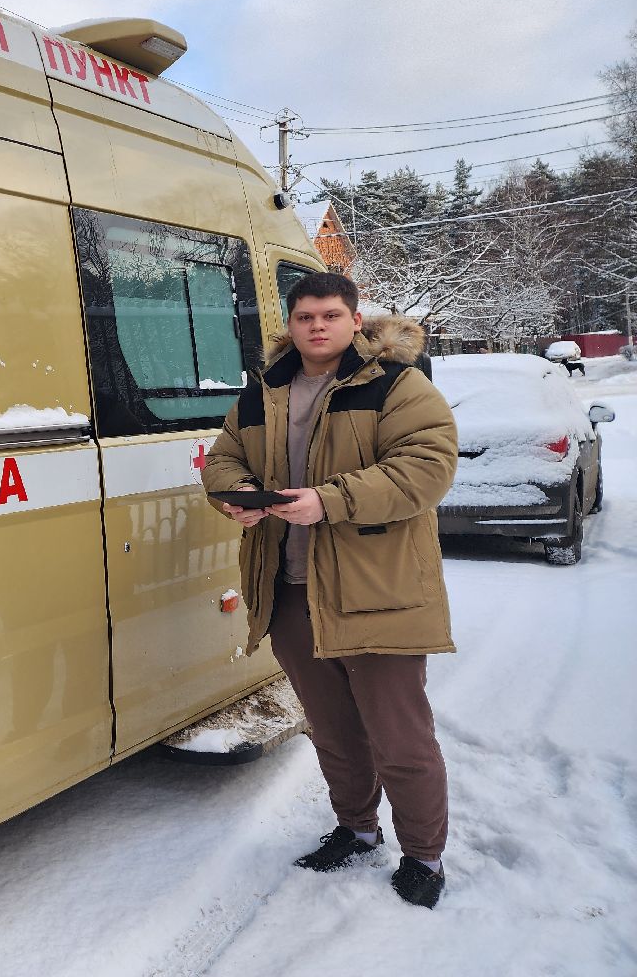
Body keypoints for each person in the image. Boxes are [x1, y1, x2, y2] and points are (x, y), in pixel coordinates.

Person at [200, 272, 458, 909]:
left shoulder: (398, 384)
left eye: (330, 315)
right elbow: (223, 457)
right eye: (305, 316)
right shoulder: (265, 391)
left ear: (354, 320)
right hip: (290, 591)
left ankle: (424, 856)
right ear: (290, 323)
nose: (317, 326)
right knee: (332, 730)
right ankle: (357, 829)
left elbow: (426, 470)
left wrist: (330, 500)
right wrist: (237, 497)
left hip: (378, 592)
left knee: (399, 737)